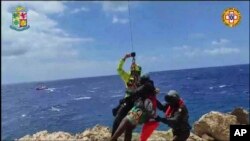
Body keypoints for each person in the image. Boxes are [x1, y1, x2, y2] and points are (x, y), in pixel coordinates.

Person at [111, 74, 158, 141]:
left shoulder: (146, 86)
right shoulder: (150, 86)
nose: (139, 81)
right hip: (144, 112)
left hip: (140, 111)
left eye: (140, 80)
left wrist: (128, 92)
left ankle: (113, 139)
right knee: (129, 127)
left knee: (126, 121)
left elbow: (136, 92)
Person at [111, 52, 142, 137]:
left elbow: (119, 69)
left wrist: (125, 57)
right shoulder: (140, 79)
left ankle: (113, 138)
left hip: (129, 103)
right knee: (129, 126)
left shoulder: (129, 76)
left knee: (117, 120)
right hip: (137, 105)